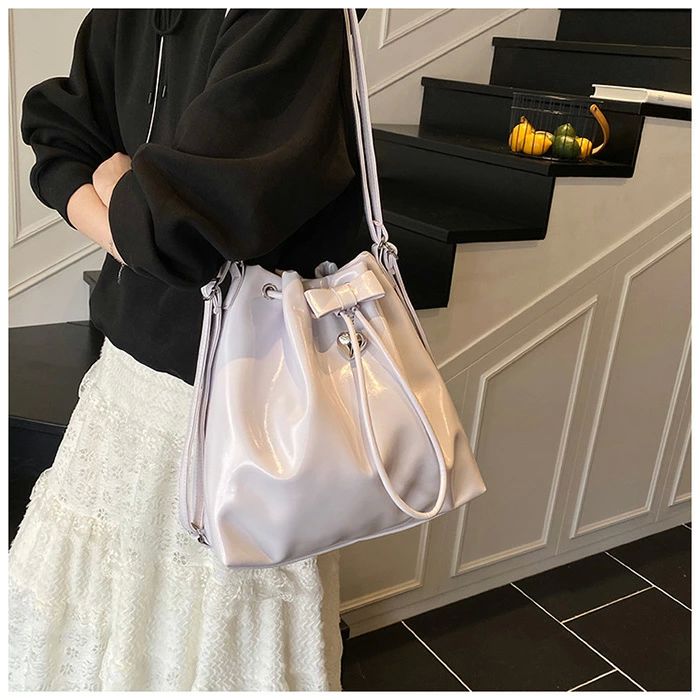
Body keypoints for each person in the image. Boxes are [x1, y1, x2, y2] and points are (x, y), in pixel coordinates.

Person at [9, 8, 368, 691]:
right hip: (138, 389)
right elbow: (64, 137)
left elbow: (180, 228)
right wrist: (133, 225)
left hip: (248, 400)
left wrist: (123, 201)